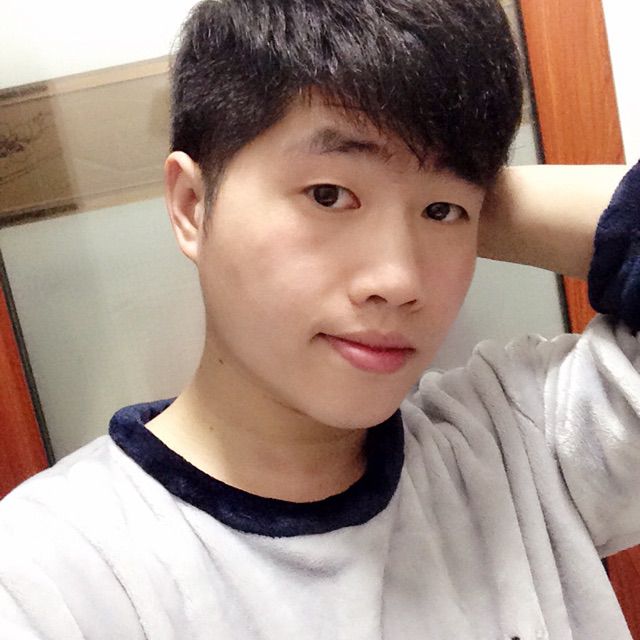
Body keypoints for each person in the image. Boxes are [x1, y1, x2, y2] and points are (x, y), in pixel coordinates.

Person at [1, 0, 638, 638]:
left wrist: (464, 181)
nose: (398, 281)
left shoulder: (523, 445)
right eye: (329, 195)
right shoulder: (49, 576)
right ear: (192, 205)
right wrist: (433, 182)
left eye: (443, 214)